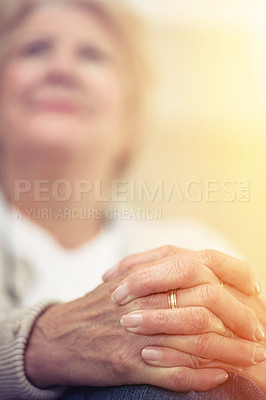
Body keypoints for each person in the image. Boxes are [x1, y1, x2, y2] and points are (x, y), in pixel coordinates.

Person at [0, 0, 265, 399]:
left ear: (131, 115)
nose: (62, 69)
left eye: (93, 55)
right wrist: (41, 343)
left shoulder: (196, 245)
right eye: (34, 49)